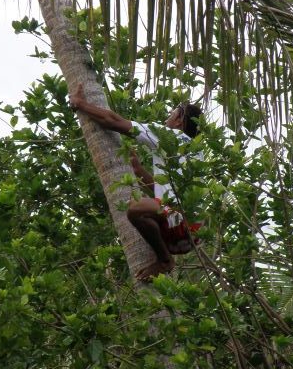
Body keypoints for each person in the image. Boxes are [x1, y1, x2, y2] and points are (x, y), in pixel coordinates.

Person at [69, 84, 203, 281]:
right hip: (188, 234)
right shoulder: (193, 151)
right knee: (145, 207)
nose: (166, 119)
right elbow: (166, 193)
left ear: (179, 121)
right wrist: (138, 171)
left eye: (170, 115)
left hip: (178, 225)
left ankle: (165, 260)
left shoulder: (169, 136)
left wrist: (81, 104)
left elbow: (112, 121)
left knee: (135, 207)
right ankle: (165, 253)